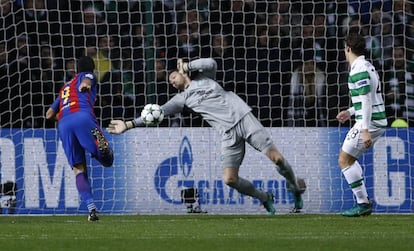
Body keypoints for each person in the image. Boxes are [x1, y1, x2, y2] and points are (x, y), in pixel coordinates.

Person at [107, 57, 306, 214]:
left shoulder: (205, 77)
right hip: (227, 134)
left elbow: (211, 63)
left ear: (180, 72)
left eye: (172, 77)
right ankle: (264, 197)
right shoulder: (181, 99)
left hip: (243, 117)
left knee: (277, 158)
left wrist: (189, 65)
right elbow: (158, 113)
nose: (171, 82)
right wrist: (128, 124)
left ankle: (295, 187)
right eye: (169, 82)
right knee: (230, 180)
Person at [46, 56, 114, 221]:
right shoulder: (89, 76)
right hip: (83, 117)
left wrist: (65, 115)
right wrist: (86, 84)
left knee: (78, 169)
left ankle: (91, 209)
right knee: (108, 160)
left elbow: (49, 115)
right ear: (92, 69)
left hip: (63, 124)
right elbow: (87, 80)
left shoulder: (65, 87)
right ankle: (102, 149)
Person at [336, 32, 387, 217]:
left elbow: (366, 101)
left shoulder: (358, 70)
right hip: (373, 120)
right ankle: (363, 202)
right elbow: (368, 98)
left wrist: (364, 130)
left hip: (370, 123)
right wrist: (349, 112)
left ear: (348, 49)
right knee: (348, 159)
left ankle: (363, 203)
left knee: (344, 160)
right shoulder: (366, 66)